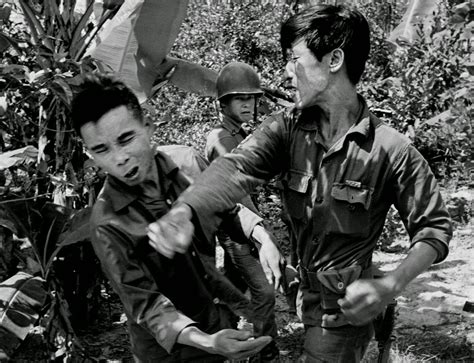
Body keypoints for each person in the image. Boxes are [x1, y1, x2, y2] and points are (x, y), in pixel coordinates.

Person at [147, 4, 453, 362]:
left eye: (294, 59)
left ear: (333, 59)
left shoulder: (391, 149)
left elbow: (433, 229)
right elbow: (234, 168)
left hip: (341, 313)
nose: (287, 71)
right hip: (301, 292)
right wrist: (185, 210)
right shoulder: (286, 128)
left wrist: (391, 285)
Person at [71, 74, 286, 362]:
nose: (119, 158)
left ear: (147, 126)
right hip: (169, 351)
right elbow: (146, 305)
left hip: (214, 322)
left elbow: (225, 209)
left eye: (126, 139)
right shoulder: (107, 222)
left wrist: (262, 237)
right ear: (88, 153)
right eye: (101, 150)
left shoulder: (186, 163)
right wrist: (207, 342)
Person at [205, 62, 280, 360]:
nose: (248, 104)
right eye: (240, 99)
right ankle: (264, 349)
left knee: (231, 289)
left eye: (251, 98)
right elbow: (235, 193)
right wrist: (261, 234)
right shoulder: (222, 139)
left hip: (241, 225)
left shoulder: (238, 135)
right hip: (236, 229)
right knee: (264, 292)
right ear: (224, 104)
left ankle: (223, 336)